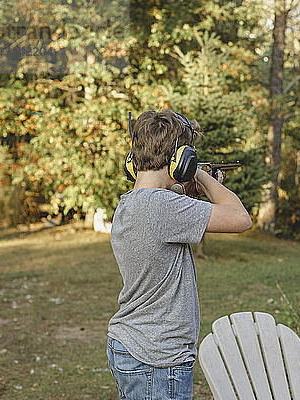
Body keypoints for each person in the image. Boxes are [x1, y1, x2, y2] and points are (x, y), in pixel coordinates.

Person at [106, 109, 251, 400]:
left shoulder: (132, 203)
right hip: (158, 356)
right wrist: (202, 176)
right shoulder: (163, 208)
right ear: (181, 159)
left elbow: (165, 210)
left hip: (133, 343)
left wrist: (186, 188)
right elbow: (240, 218)